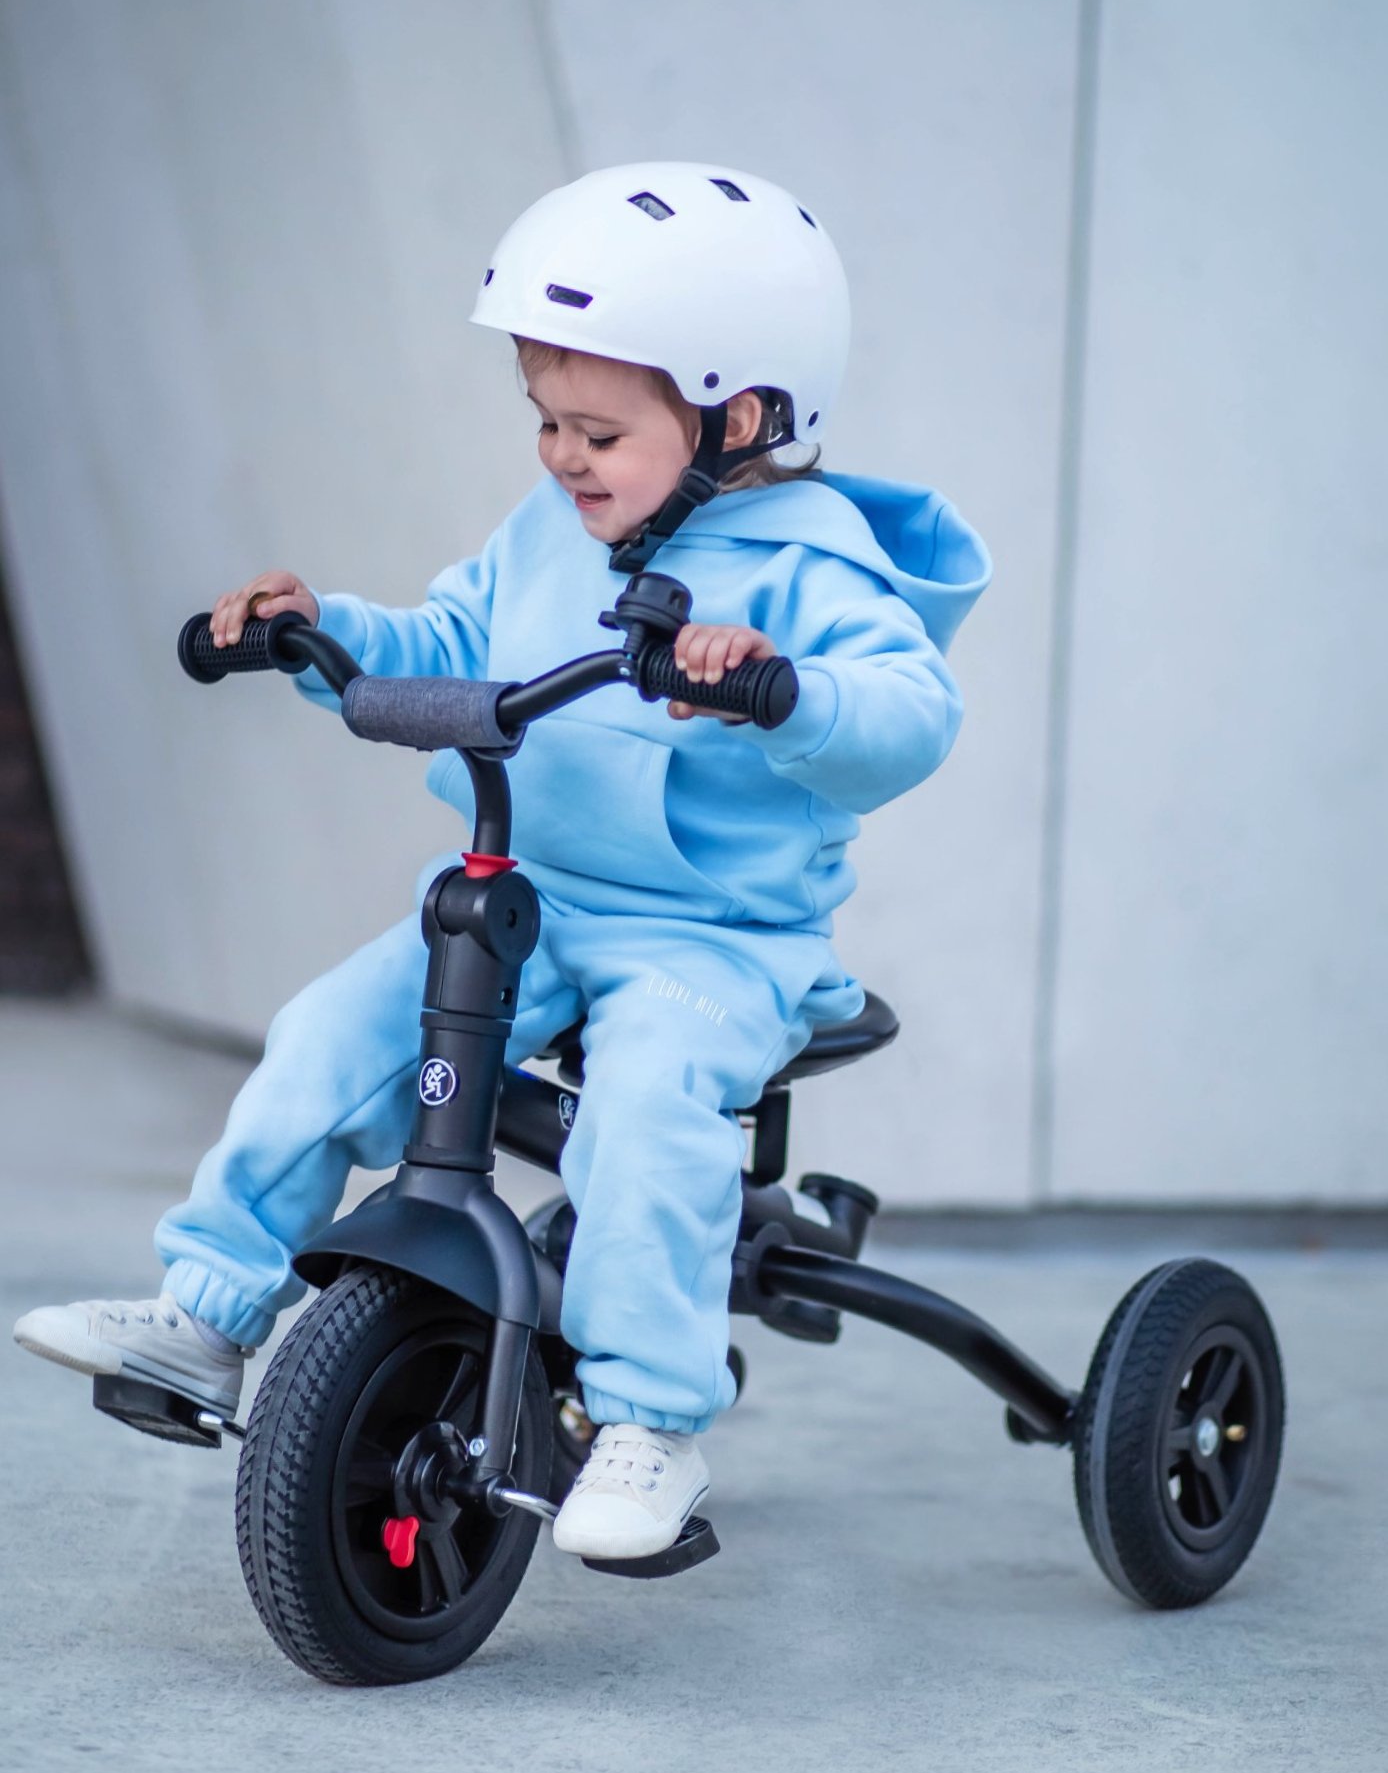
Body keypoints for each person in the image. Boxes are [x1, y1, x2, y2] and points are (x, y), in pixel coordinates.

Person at [14, 162, 990, 1560]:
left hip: (715, 938)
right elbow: (454, 638)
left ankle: (651, 1417)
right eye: (545, 420)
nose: (560, 455)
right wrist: (314, 629)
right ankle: (209, 1312)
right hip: (535, 899)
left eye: (598, 427)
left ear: (746, 416)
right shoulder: (550, 534)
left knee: (646, 1113)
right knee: (329, 1035)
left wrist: (781, 688)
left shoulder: (813, 561)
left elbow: (910, 715)